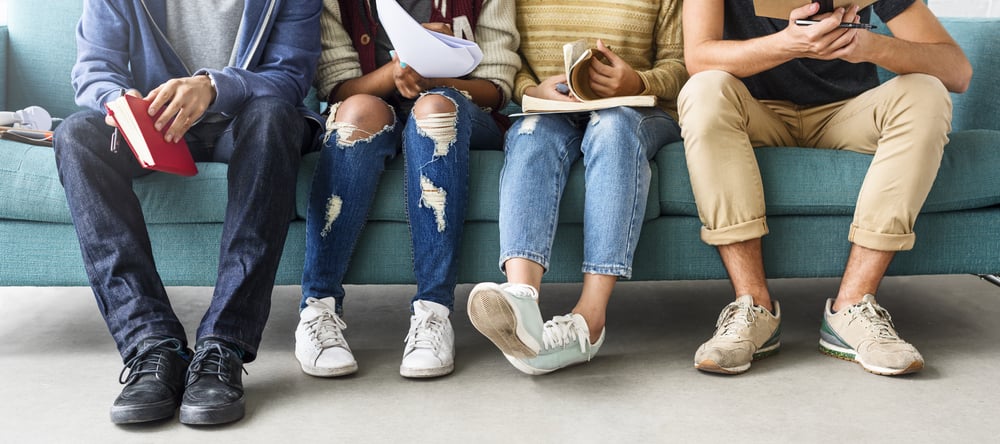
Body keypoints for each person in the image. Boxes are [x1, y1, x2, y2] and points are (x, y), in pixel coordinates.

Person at [52, 0, 322, 425]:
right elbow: (93, 69)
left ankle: (224, 344)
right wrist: (121, 102)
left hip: (247, 125)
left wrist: (214, 87)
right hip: (156, 129)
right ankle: (152, 342)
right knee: (75, 136)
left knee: (274, 117)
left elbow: (289, 79)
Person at [678, 1, 971, 376]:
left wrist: (866, 46)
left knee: (927, 92)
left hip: (847, 114)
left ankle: (852, 307)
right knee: (704, 89)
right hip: (755, 112)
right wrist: (789, 43)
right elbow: (698, 58)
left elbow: (957, 71)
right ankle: (752, 306)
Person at [295, 0, 519, 379]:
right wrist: (396, 72)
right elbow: (337, 87)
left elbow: (497, 88)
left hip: (458, 106)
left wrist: (435, 75)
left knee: (434, 110)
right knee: (357, 112)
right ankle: (317, 308)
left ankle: (434, 311)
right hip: (372, 100)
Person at [466, 0, 687, 375]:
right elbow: (508, 62)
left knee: (612, 128)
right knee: (530, 134)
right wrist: (533, 89)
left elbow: (681, 66)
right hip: (552, 110)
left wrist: (637, 81)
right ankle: (522, 302)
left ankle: (590, 319)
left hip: (637, 109)